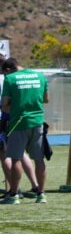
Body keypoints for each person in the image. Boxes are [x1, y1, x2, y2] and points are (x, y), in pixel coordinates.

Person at [0, 57, 49, 204]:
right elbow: (46, 99)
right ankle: (41, 193)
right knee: (39, 159)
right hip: (38, 121)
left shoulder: (10, 79)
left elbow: (4, 105)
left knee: (15, 158)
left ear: (8, 70)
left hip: (18, 123)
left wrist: (16, 107)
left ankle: (14, 194)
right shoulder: (40, 76)